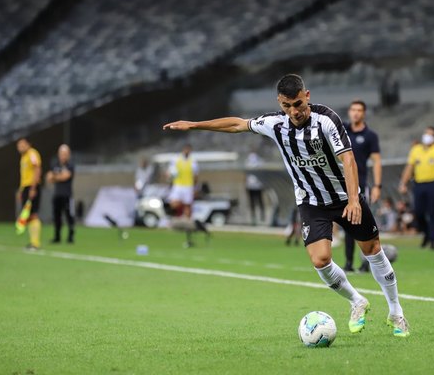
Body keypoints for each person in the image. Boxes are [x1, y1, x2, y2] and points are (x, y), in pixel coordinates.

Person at [163, 74, 409, 337]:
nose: (294, 111)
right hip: (311, 201)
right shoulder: (275, 124)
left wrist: (353, 199)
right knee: (321, 260)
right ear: (279, 102)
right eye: (286, 106)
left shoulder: (327, 120)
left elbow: (348, 159)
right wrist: (194, 125)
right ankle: (357, 301)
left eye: (298, 104)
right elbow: (237, 124)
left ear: (307, 96)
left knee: (373, 250)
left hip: (343, 196)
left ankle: (396, 312)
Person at [343, 100, 381, 273]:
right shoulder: (341, 130)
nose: (356, 113)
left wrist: (377, 186)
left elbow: (377, 161)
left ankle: (367, 262)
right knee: (348, 225)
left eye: (359, 110)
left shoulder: (370, 136)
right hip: (341, 184)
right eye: (353, 110)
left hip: (361, 185)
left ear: (364, 113)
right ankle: (349, 263)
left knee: (362, 224)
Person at [398, 126, 434, 250]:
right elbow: (409, 167)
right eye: (426, 133)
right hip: (419, 184)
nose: (427, 136)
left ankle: (432, 240)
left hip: (433, 184)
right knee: (418, 212)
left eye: (431, 134)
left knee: (433, 212)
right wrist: (403, 183)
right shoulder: (416, 150)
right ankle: (426, 233)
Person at [16, 138, 42, 250]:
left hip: (32, 186)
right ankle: (33, 242)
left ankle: (35, 244)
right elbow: (24, 176)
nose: (20, 147)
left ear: (28, 144)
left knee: (33, 214)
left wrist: (33, 188)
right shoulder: (23, 157)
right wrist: (21, 190)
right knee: (29, 216)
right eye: (18, 145)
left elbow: (37, 169)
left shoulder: (32, 153)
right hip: (26, 187)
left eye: (22, 145)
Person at [45, 144, 75, 243]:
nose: (63, 156)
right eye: (61, 153)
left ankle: (70, 236)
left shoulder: (70, 165)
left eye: (65, 154)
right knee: (57, 216)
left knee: (69, 216)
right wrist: (58, 176)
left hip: (67, 195)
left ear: (68, 154)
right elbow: (48, 178)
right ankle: (57, 236)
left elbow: (65, 176)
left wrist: (55, 176)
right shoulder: (55, 164)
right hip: (57, 194)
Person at [167, 144, 198, 219]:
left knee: (188, 205)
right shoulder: (176, 159)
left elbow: (195, 176)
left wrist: (195, 187)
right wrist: (170, 178)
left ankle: (187, 222)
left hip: (188, 186)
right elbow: (170, 172)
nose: (187, 151)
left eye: (188, 150)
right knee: (173, 203)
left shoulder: (193, 162)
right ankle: (174, 218)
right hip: (178, 185)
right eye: (186, 149)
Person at [245, 151, 265, 225]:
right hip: (251, 186)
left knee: (259, 201)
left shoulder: (259, 161)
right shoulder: (248, 161)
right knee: (253, 203)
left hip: (258, 186)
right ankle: (254, 217)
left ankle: (262, 216)